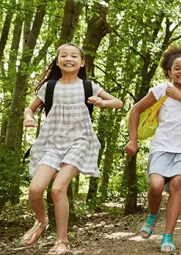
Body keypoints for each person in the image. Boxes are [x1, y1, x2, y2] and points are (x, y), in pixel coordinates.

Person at [21, 43, 123, 254]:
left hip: (80, 141)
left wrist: (102, 103)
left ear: (82, 62)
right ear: (58, 62)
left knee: (58, 188)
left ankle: (62, 241)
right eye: (64, 56)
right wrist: (29, 118)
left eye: (74, 56)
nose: (69, 59)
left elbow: (118, 102)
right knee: (35, 190)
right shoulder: (49, 87)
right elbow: (29, 109)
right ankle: (41, 222)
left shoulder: (89, 86)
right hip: (52, 142)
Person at [125, 46, 181, 253]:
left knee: (177, 184)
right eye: (177, 68)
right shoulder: (161, 90)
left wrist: (180, 97)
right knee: (155, 185)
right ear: (169, 72)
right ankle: (153, 215)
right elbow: (136, 110)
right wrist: (133, 140)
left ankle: (168, 236)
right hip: (161, 146)